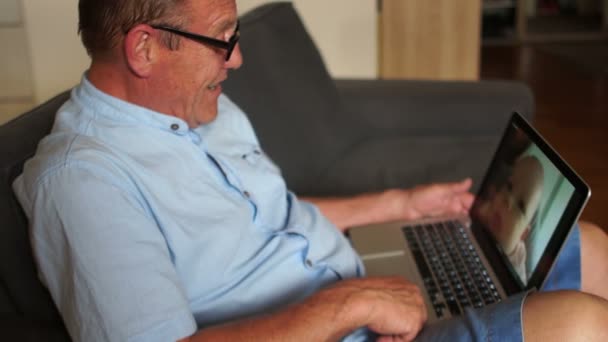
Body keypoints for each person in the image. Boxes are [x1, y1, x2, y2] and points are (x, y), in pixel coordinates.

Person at [12, 0, 608, 341]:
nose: (238, 57)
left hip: (365, 286)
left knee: (590, 246)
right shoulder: (82, 182)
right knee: (580, 325)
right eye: (223, 39)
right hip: (350, 326)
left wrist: (399, 205)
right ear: (144, 49)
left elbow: (277, 218)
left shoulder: (202, 106)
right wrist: (350, 305)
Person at [475, 154, 545, 282]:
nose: (508, 200)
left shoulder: (517, 262)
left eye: (520, 206)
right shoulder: (486, 212)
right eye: (509, 187)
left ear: (523, 234)